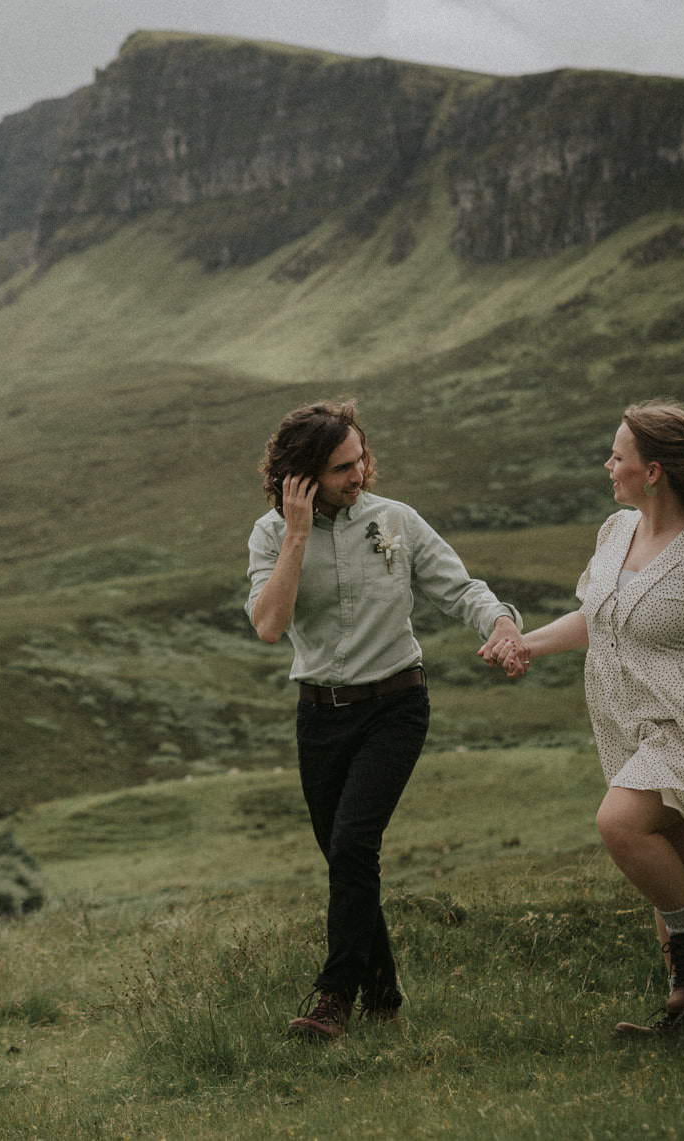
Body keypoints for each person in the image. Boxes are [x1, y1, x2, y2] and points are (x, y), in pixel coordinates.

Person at [507, 399, 684, 1036]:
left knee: (621, 824)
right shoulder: (617, 532)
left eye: (618, 456)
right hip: (633, 724)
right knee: (678, 870)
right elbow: (598, 617)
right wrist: (528, 643)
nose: (608, 465)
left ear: (655, 471)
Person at [246, 399, 524, 1040]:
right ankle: (385, 997)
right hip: (319, 715)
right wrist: (294, 536)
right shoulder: (269, 536)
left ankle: (332, 997)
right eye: (343, 468)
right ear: (302, 477)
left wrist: (503, 624)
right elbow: (268, 625)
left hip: (396, 706)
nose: (360, 475)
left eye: (361, 459)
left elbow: (460, 588)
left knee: (352, 846)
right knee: (345, 860)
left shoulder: (395, 519)